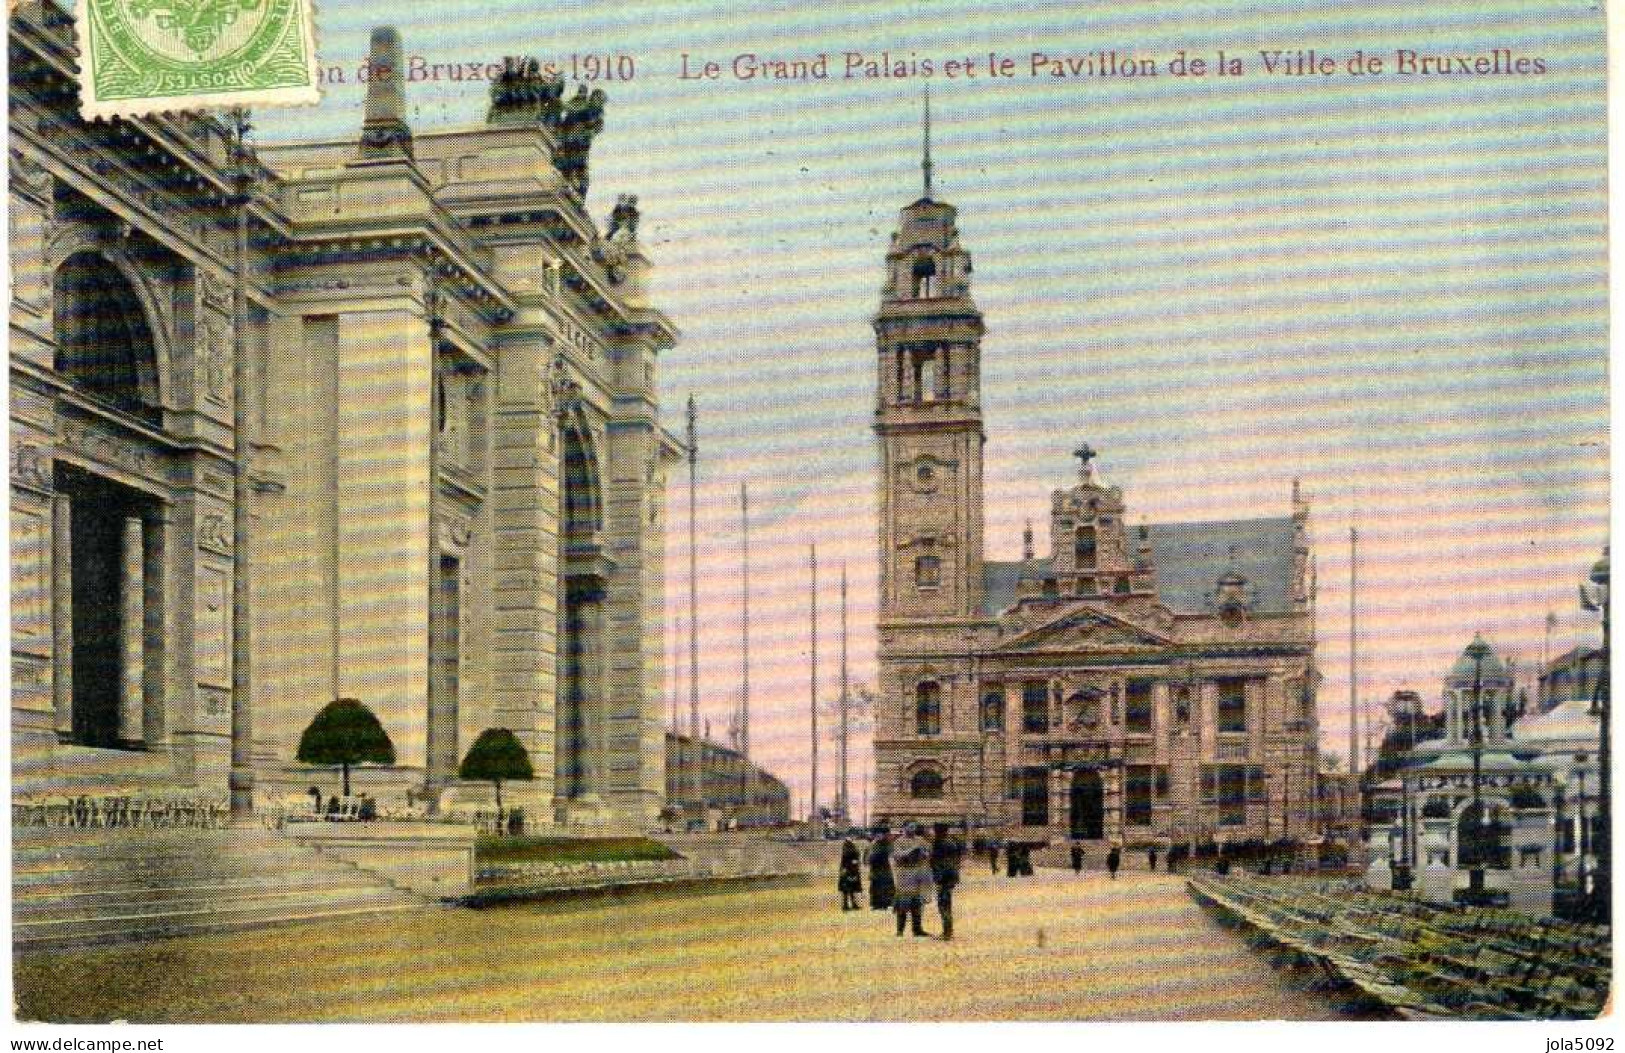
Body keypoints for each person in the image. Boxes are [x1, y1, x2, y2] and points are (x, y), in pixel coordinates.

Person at [891, 822, 934, 937]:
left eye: (914, 826)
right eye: (910, 826)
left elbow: (928, 852)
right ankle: (900, 931)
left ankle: (917, 929)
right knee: (903, 904)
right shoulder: (898, 841)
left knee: (917, 904)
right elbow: (897, 856)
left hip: (917, 874)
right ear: (904, 828)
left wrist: (925, 853)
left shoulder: (920, 840)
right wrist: (912, 850)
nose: (912, 829)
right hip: (904, 876)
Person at [930, 824, 964, 940]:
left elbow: (935, 861)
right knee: (947, 904)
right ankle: (949, 931)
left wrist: (936, 877)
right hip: (951, 875)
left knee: (943, 905)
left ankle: (947, 933)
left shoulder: (939, 843)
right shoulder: (952, 842)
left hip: (943, 877)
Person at [868, 832, 896, 911]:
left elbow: (891, 853)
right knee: (875, 886)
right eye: (877, 835)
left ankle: (887, 904)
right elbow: (869, 857)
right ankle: (876, 905)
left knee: (886, 886)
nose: (879, 836)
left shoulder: (887, 844)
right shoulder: (874, 844)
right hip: (876, 868)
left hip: (884, 867)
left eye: (880, 835)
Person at [838, 839, 863, 911]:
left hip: (847, 871)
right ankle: (848, 905)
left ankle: (848, 905)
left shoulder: (846, 850)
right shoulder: (851, 851)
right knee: (850, 889)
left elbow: (846, 862)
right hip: (850, 871)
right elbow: (854, 861)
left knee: (849, 889)